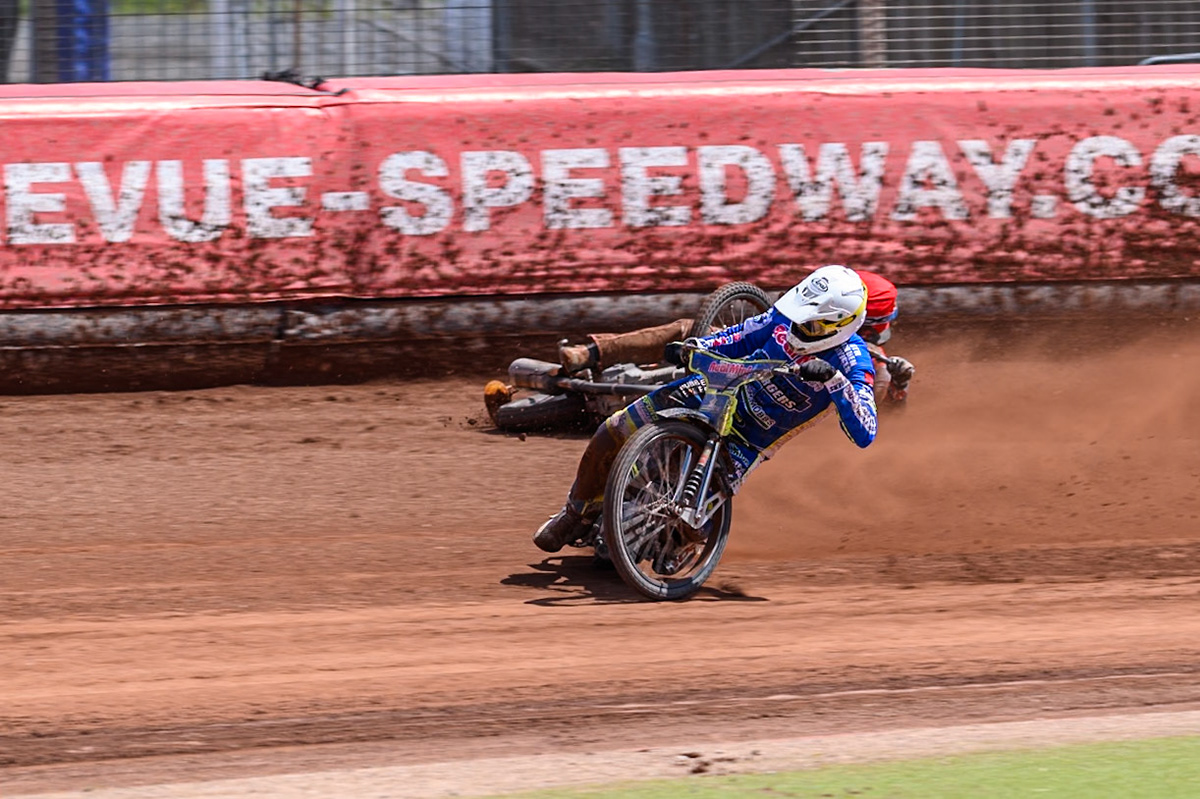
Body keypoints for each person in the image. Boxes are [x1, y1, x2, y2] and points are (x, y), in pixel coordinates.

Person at [534, 264, 879, 553]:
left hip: (749, 441)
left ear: (840, 325)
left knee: (667, 532)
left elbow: (866, 431)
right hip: (716, 390)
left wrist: (835, 381)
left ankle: (666, 544)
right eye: (798, 316)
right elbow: (740, 336)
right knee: (614, 430)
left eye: (811, 324)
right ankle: (574, 514)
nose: (797, 327)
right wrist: (693, 347)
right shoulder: (784, 319)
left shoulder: (852, 361)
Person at [558, 270, 916, 406]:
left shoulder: (869, 365)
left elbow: (873, 408)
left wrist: (899, 386)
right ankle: (589, 353)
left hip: (751, 400)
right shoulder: (802, 311)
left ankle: (590, 355)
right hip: (741, 359)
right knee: (688, 330)